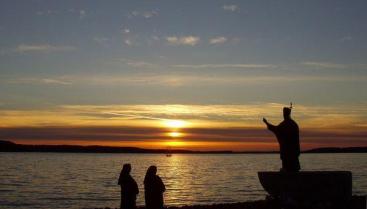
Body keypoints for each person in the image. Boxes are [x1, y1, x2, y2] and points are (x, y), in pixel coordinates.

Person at [263, 105, 301, 172]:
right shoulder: (293, 124)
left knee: (289, 166)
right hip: (293, 150)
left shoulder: (288, 124)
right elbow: (277, 130)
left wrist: (267, 123)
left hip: (288, 150)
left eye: (284, 114)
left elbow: (276, 129)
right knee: (292, 166)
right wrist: (267, 123)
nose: (283, 115)